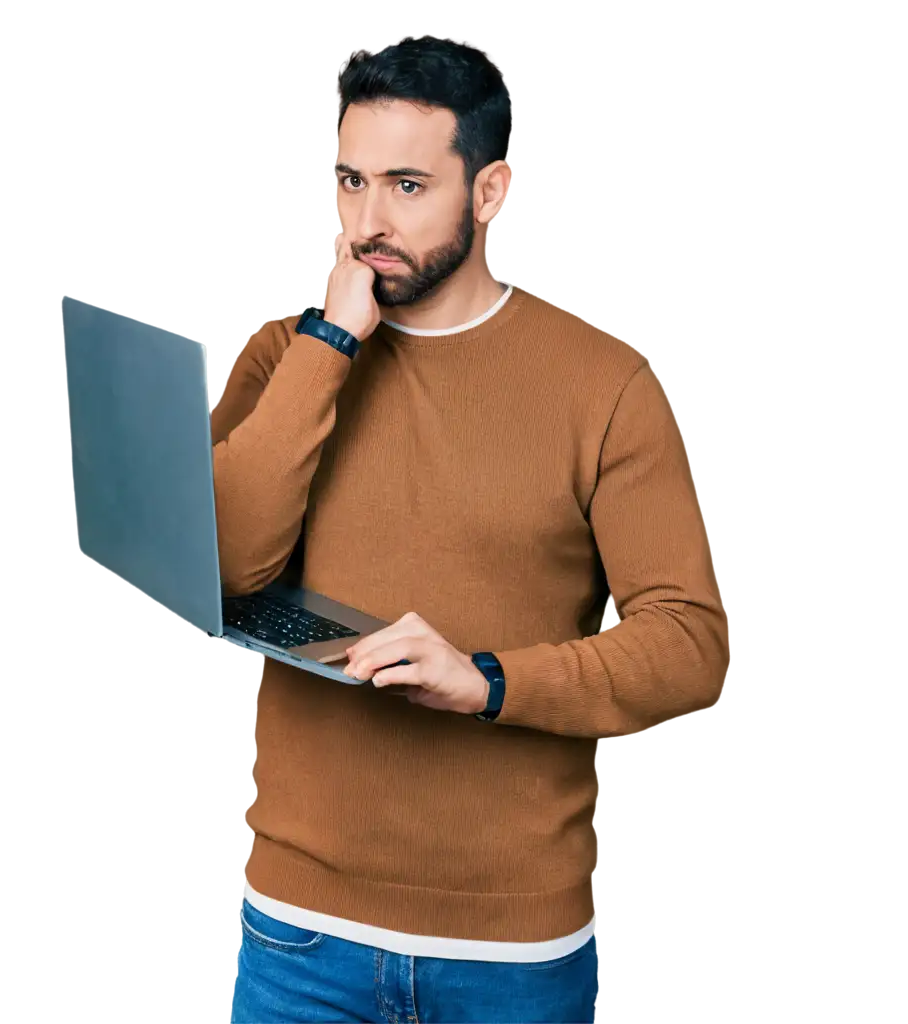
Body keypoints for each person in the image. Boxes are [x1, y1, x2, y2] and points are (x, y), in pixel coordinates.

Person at [215, 36, 727, 1024]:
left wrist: (489, 680)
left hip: (510, 955)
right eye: (349, 180)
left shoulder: (599, 384)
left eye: (407, 185)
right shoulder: (287, 349)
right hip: (296, 935)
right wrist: (331, 339)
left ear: (489, 192)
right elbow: (226, 568)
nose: (367, 221)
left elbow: (685, 642)